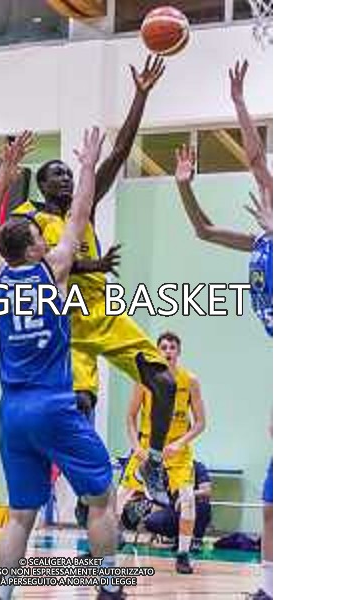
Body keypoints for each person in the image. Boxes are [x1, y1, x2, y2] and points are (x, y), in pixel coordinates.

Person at [13, 56, 176, 504]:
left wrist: (140, 95)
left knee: (165, 383)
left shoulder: (84, 207)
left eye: (69, 172)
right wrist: (89, 266)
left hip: (101, 313)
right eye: (57, 174)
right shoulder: (26, 218)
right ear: (42, 185)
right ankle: (78, 491)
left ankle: (154, 461)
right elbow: (31, 265)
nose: (66, 178)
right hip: (61, 322)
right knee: (80, 405)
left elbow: (119, 152)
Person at [0, 130, 124, 600]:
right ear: (34, 248)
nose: (46, 236)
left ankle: (3, 595)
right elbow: (80, 212)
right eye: (40, 235)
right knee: (101, 497)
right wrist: (88, 165)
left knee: (21, 514)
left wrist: (5, 172)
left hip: (12, 412)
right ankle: (109, 587)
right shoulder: (52, 270)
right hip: (54, 404)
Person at [174, 60, 273, 599]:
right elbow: (203, 229)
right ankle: (270, 586)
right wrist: (184, 187)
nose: (266, 193)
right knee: (272, 499)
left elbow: (258, 162)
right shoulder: (260, 241)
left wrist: (239, 104)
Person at [119, 331, 206, 574]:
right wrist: (136, 447)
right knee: (120, 496)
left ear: (178, 352)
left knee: (188, 499)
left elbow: (200, 423)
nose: (168, 351)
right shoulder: (144, 380)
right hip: (148, 448)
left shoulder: (190, 380)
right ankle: (105, 544)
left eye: (172, 347)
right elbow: (130, 417)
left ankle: (183, 554)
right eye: (164, 347)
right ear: (157, 352)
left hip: (177, 450)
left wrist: (181, 443)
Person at [141, 460, 212, 553]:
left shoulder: (197, 466)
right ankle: (178, 538)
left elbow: (206, 491)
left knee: (203, 506)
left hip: (194, 506)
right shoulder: (165, 469)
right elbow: (160, 498)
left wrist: (186, 496)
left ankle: (196, 539)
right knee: (151, 521)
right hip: (174, 509)